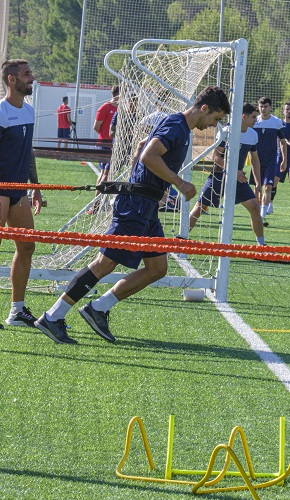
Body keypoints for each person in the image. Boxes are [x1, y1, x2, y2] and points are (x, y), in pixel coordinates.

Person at [34, 86, 230, 344]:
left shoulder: (179, 127)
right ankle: (52, 316)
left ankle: (99, 308)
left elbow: (141, 147)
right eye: (215, 119)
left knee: (157, 268)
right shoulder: (176, 125)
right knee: (104, 264)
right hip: (135, 207)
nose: (213, 126)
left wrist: (150, 185)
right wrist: (178, 183)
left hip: (146, 208)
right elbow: (149, 155)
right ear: (204, 108)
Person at [0, 59, 42, 329]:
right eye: (27, 75)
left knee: (27, 246)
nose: (32, 78)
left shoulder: (28, 111)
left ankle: (16, 311)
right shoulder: (0, 112)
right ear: (11, 80)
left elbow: (29, 153)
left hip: (20, 191)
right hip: (1, 189)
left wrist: (35, 187)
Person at [189, 103, 265, 246]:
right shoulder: (225, 131)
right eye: (254, 117)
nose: (257, 120)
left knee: (255, 207)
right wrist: (233, 171)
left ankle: (262, 246)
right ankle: (180, 240)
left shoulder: (253, 134)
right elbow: (217, 158)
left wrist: (258, 184)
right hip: (219, 177)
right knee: (199, 209)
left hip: (238, 179)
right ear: (244, 117)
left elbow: (255, 160)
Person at [254, 97, 287, 226]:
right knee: (257, 188)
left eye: (266, 106)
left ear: (270, 107)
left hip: (271, 160)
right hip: (256, 160)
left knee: (268, 186)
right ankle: (257, 213)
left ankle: (262, 216)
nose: (263, 109)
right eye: (261, 106)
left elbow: (283, 142)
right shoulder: (254, 121)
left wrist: (284, 160)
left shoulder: (276, 122)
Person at [94, 85, 119, 185]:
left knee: (107, 174)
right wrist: (106, 136)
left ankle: (101, 199)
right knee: (105, 173)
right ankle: (97, 199)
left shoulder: (122, 108)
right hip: (104, 144)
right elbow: (96, 127)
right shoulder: (105, 107)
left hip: (115, 145)